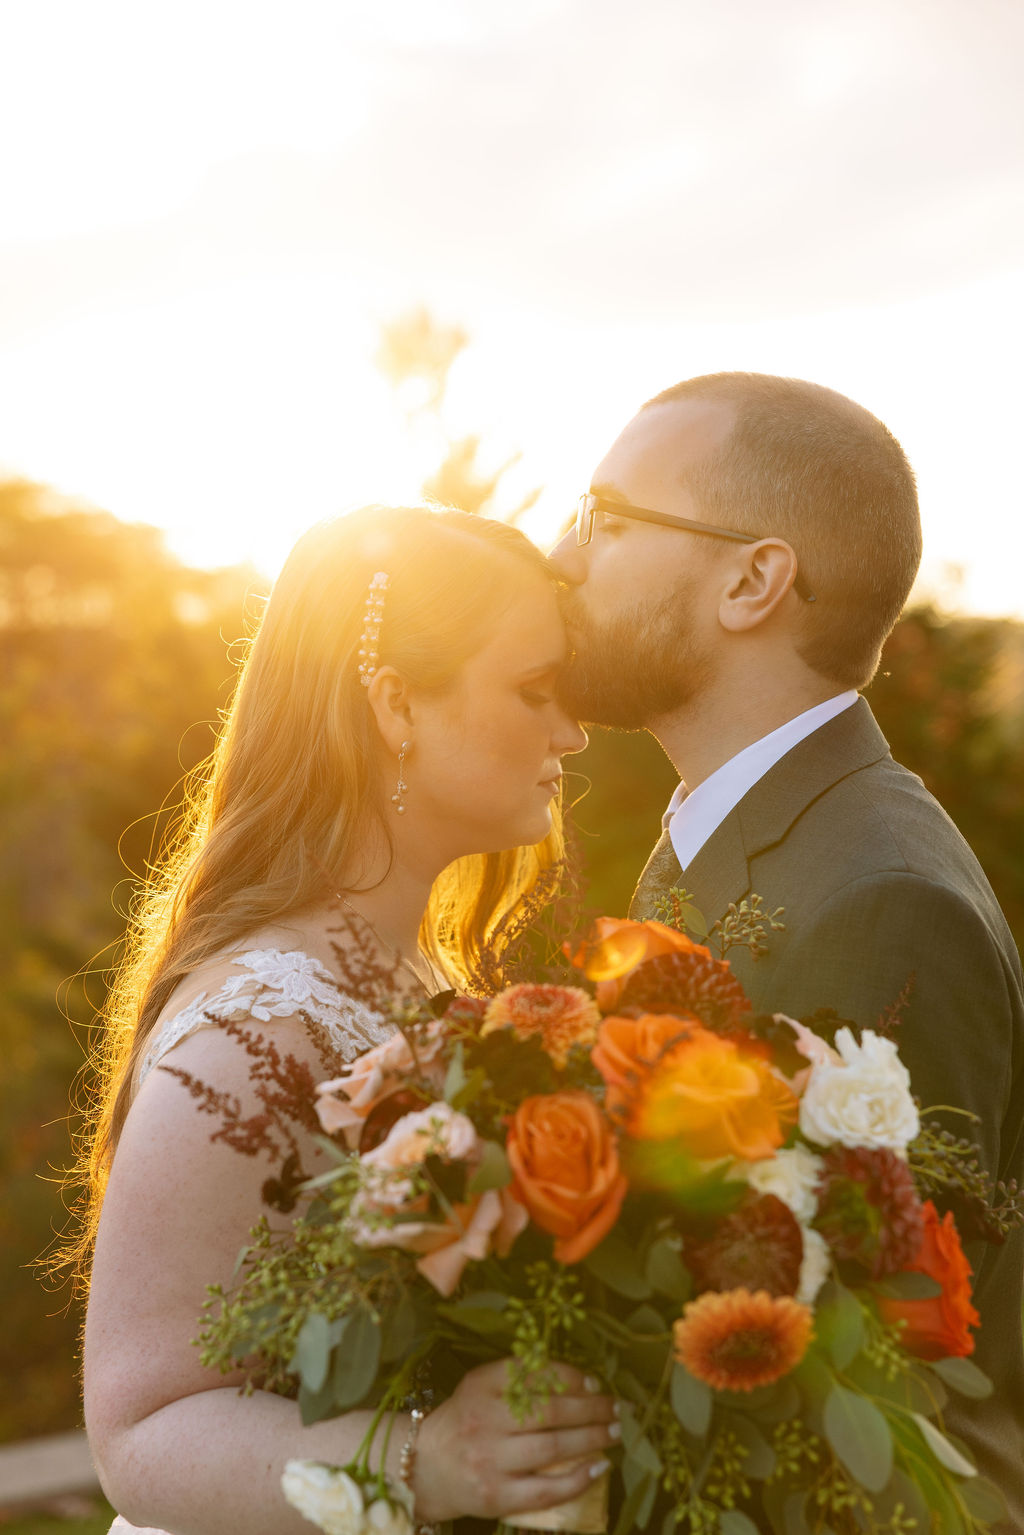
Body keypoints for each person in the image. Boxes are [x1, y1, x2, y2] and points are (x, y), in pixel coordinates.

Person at [79, 503, 617, 1535]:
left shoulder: (427, 977)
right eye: (534, 690)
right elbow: (138, 1433)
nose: (570, 733)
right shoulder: (250, 1026)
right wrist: (427, 1457)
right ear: (394, 701)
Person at [550, 372, 1024, 1524]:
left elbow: (866, 1393)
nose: (560, 556)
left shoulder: (882, 900)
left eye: (605, 521)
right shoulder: (732, 828)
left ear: (753, 580)